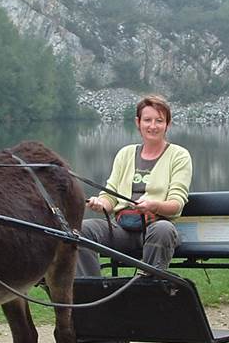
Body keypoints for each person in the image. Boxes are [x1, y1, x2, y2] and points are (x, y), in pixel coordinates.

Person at [76, 95, 193, 276]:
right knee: (80, 230)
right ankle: (91, 290)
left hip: (156, 228)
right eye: (147, 120)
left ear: (167, 124)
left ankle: (146, 286)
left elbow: (176, 205)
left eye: (159, 121)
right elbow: (111, 195)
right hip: (122, 228)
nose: (152, 126)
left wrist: (154, 205)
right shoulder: (125, 153)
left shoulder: (179, 156)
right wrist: (101, 204)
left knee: (164, 229)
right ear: (138, 122)